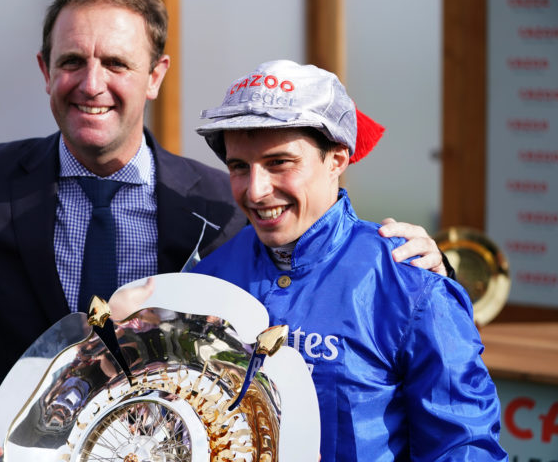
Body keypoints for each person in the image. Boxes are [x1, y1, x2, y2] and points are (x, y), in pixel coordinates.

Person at [0, 0, 446, 455]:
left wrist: (405, 260)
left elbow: (321, 271)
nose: (92, 82)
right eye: (72, 61)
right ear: (44, 70)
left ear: (156, 74)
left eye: (116, 62)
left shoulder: (223, 200)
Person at [189, 60, 506, 460]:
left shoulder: (411, 282)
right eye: (239, 166)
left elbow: (463, 446)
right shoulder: (206, 281)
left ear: (337, 160)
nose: (256, 190)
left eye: (279, 163)